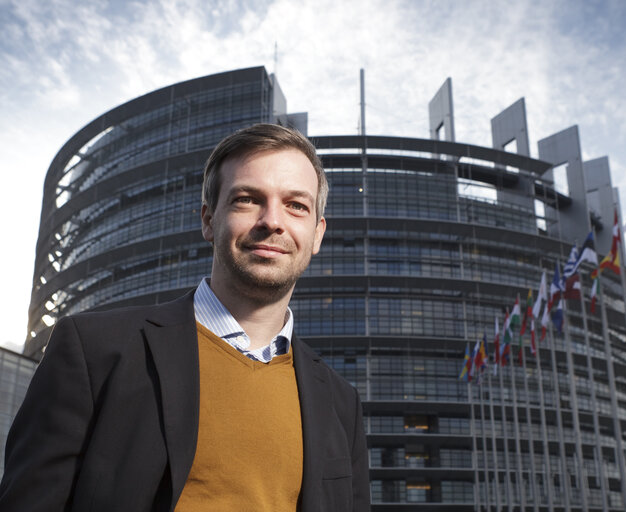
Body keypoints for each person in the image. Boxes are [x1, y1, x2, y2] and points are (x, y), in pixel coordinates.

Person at [0, 124, 370, 511]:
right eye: (247, 199)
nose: (272, 220)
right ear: (209, 220)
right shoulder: (94, 351)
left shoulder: (340, 401)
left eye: (296, 205)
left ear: (316, 234)